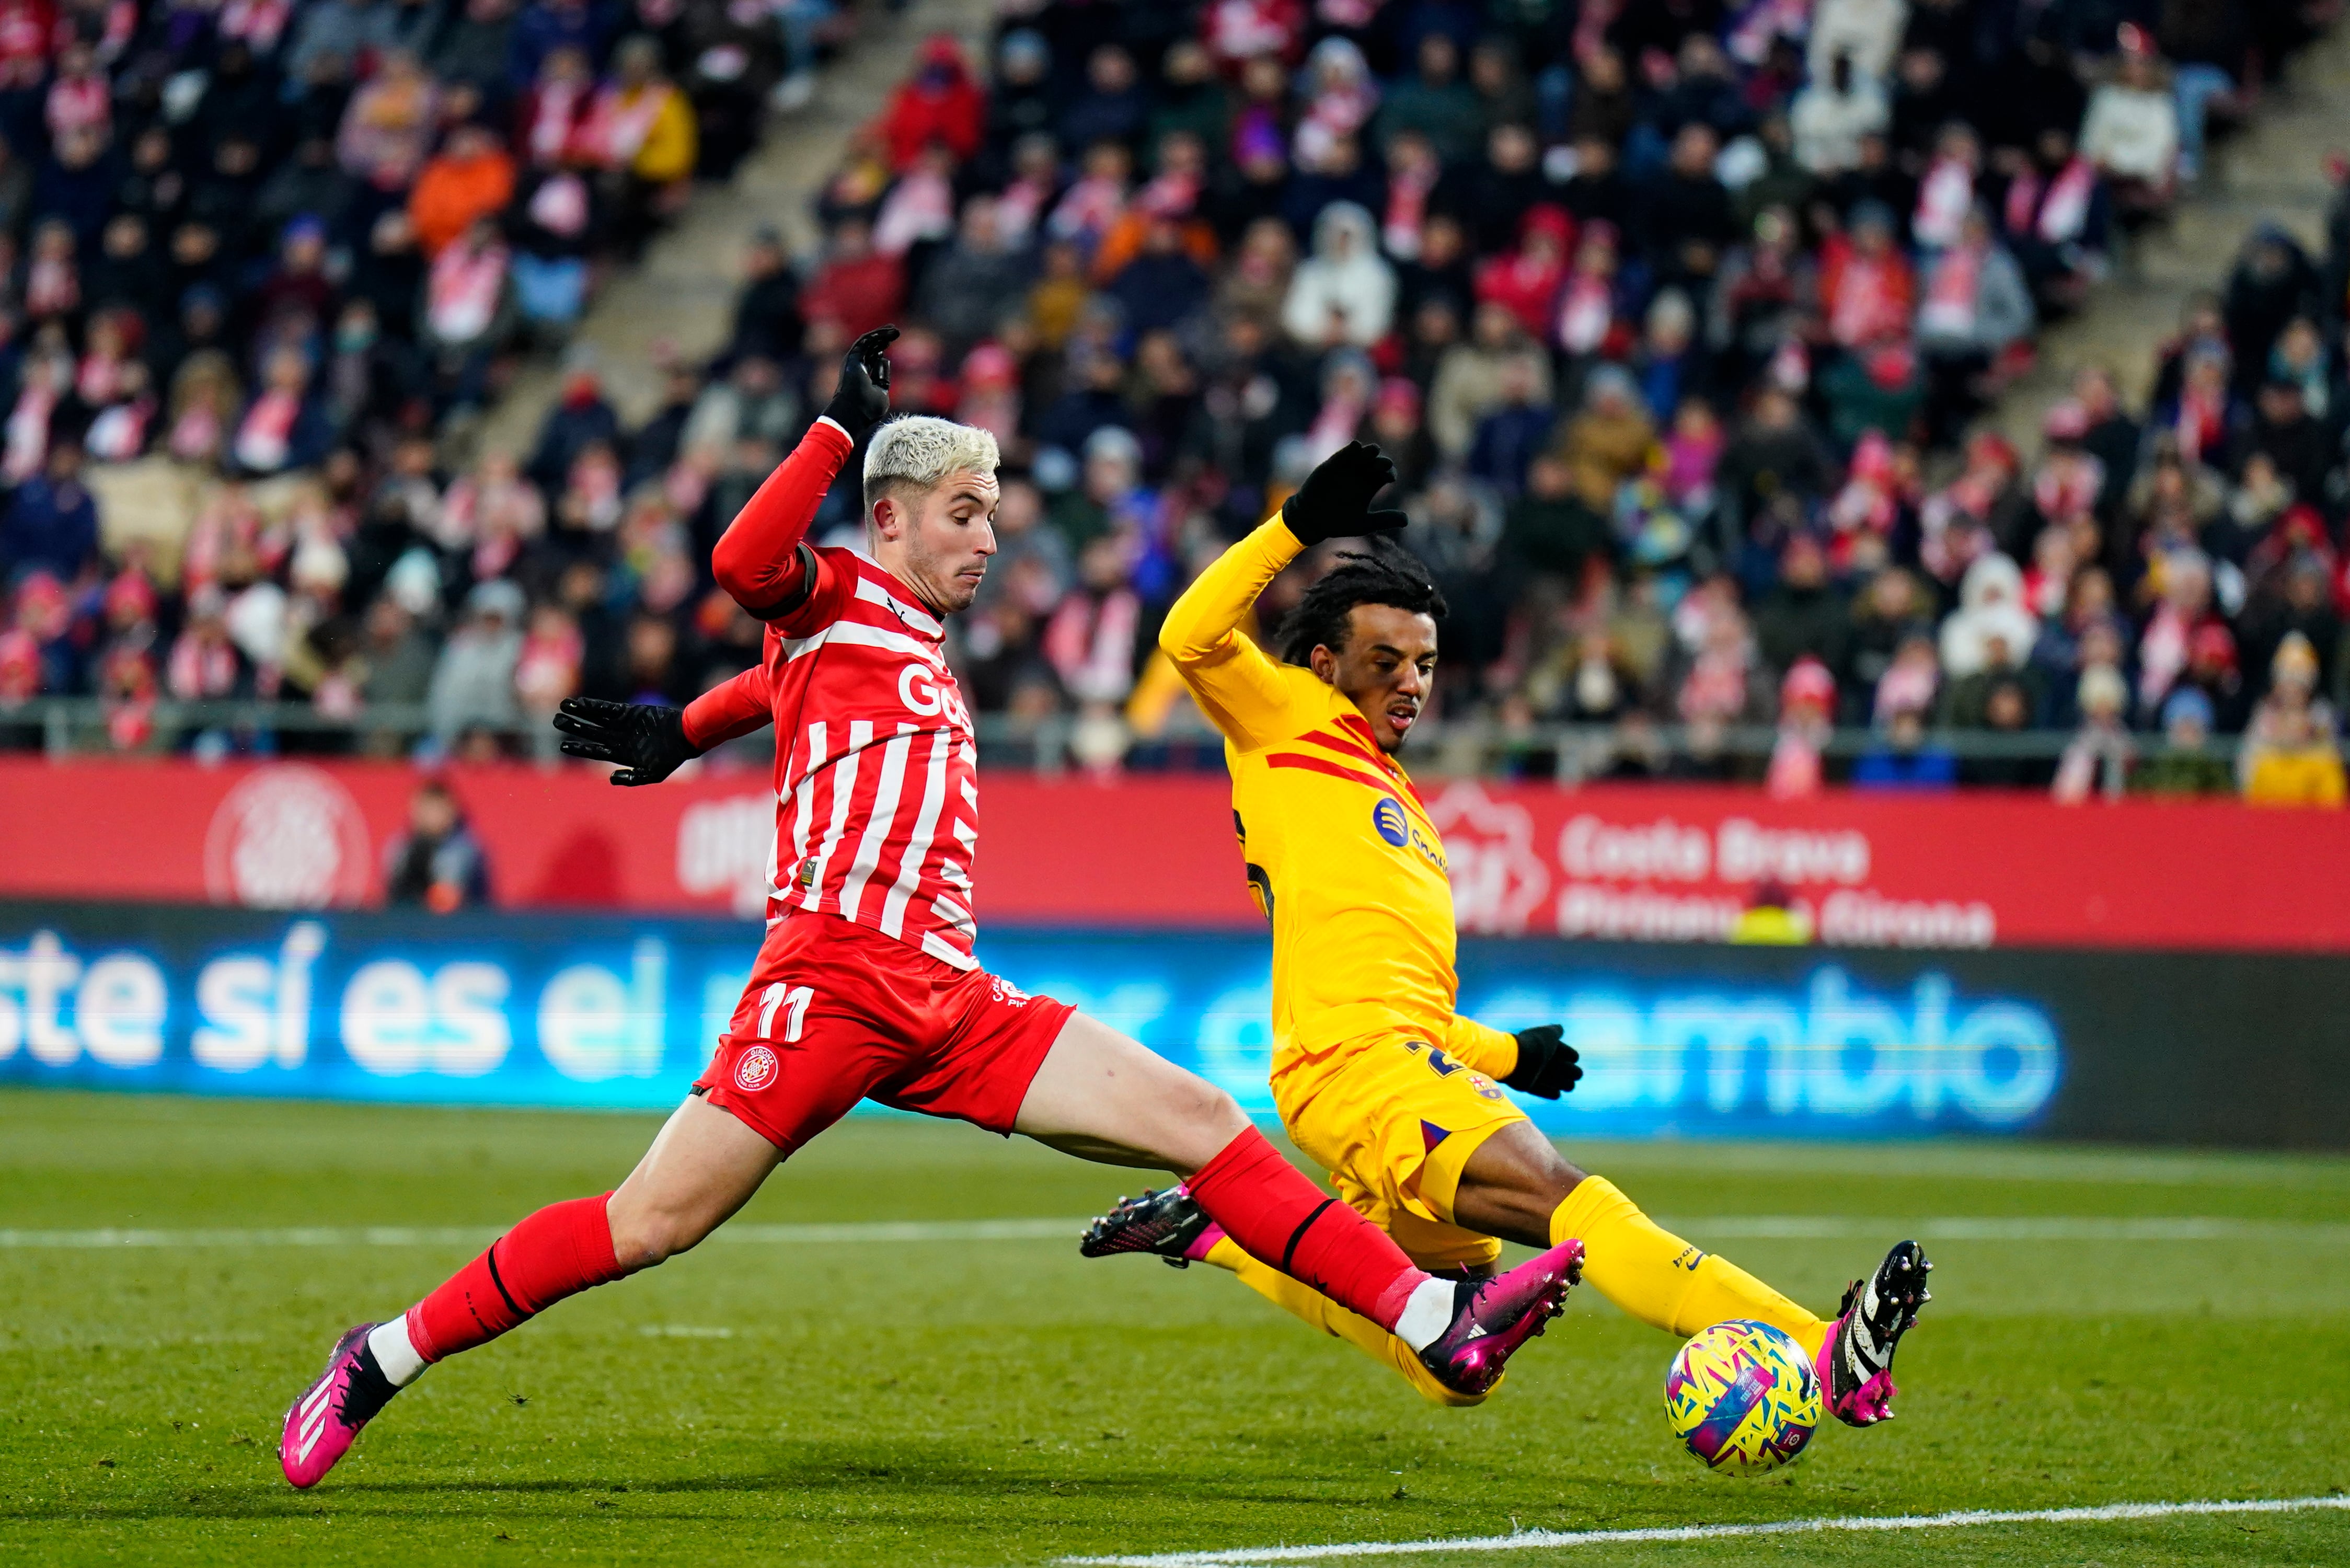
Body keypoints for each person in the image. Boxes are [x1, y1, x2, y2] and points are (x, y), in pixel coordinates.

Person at [279, 334, 1582, 1490]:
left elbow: (776, 685)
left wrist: (685, 728)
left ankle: (1432, 1319)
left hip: (948, 998)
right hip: (829, 986)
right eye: (965, 513)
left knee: (1200, 1119)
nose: (988, 539)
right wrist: (832, 430)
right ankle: (378, 1357)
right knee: (648, 1224)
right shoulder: (839, 593)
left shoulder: (898, 640)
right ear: (888, 519)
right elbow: (743, 564)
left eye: (993, 514)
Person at [1076, 441, 1931, 1424]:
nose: (1411, 682)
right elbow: (1188, 636)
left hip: (1378, 1062)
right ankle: (1825, 1352)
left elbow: (1400, 999)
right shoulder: (1287, 719)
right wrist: (1294, 528)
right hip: (1361, 1072)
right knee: (1573, 1200)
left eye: (1426, 665)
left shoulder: (1396, 801)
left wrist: (1508, 1055)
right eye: (1386, 661)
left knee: (1454, 1358)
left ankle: (1214, 1232)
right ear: (1324, 663)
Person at [382, 778, 491, 911]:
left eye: (436, 810)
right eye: (425, 809)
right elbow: (392, 893)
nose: (431, 816)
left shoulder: (463, 850)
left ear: (451, 812)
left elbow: (447, 898)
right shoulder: (400, 847)